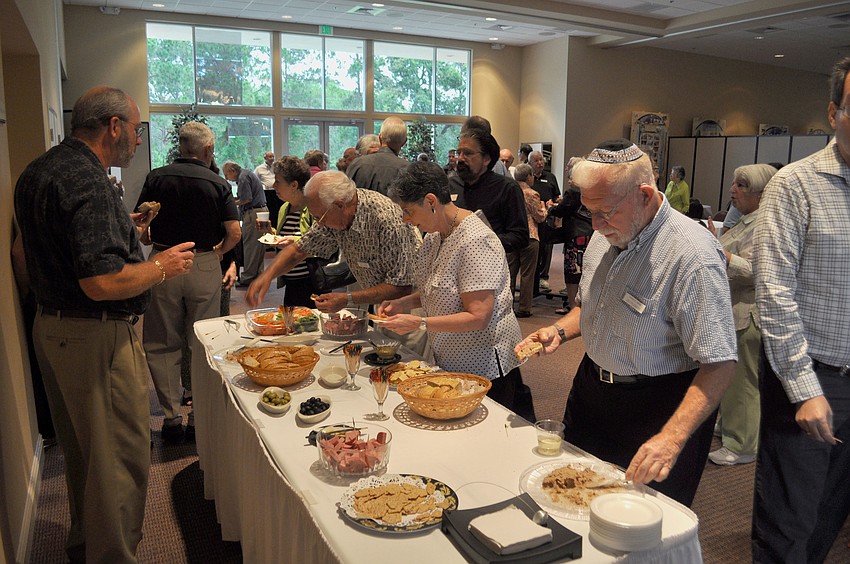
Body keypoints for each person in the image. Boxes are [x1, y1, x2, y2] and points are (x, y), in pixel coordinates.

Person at [13, 86, 195, 563]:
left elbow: (26, 253)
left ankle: (85, 546)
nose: (138, 139)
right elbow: (100, 282)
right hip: (96, 336)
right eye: (135, 129)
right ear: (113, 126)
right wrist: (161, 267)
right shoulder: (91, 182)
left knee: (84, 455)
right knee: (118, 461)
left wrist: (122, 228)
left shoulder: (38, 170)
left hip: (51, 329)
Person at [515, 139, 736, 506]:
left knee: (639, 518)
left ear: (644, 195)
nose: (596, 225)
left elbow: (720, 363)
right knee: (572, 497)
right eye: (589, 211)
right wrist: (558, 330)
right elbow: (592, 308)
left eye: (604, 212)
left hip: (658, 407)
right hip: (592, 390)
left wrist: (671, 439)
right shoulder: (606, 234)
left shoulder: (692, 256)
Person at [751, 56, 850, 563]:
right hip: (811, 378)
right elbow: (774, 292)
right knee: (789, 522)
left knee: (832, 512)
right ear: (834, 113)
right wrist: (805, 387)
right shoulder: (795, 185)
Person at [379, 162, 524, 412]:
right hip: (453, 359)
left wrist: (419, 323)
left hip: (484, 365)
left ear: (431, 201)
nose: (405, 219)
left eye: (408, 211)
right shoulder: (435, 236)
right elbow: (438, 290)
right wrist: (403, 303)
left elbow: (478, 317)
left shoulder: (476, 240)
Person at [137, 121, 241, 443]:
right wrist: (218, 253)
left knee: (162, 340)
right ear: (208, 149)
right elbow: (235, 232)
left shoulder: (156, 177)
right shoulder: (218, 182)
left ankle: (171, 419)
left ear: (181, 146)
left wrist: (152, 240)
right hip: (203, 262)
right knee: (203, 340)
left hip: (163, 261)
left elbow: (141, 226)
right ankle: (198, 418)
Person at [245, 170, 420, 314]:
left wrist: (347, 299)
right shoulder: (333, 214)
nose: (318, 223)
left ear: (339, 205)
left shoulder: (387, 219)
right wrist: (267, 276)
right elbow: (300, 249)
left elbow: (402, 286)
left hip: (410, 304)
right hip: (382, 301)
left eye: (318, 217)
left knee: (402, 346)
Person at [703, 164, 776, 466]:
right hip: (732, 312)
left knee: (743, 383)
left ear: (761, 193)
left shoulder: (766, 225)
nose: (732, 190)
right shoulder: (747, 220)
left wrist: (722, 254)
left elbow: (757, 272)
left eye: (741, 185)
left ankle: (742, 445)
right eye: (734, 183)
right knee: (731, 380)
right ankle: (732, 427)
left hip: (748, 314)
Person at [449, 125, 529, 254]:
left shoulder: (507, 188)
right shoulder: (451, 184)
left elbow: (520, 237)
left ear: (486, 159)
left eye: (468, 153)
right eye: (459, 153)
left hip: (489, 262)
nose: (460, 158)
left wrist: (482, 241)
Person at [266, 156, 318, 306]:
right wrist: (270, 232)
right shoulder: (285, 207)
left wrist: (293, 241)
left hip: (311, 281)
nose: (274, 185)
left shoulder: (314, 207)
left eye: (278, 181)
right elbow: (284, 238)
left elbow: (320, 243)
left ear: (294, 185)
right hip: (290, 280)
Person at [548, 156, 592, 314]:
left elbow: (561, 210)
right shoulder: (590, 188)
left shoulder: (574, 191)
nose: (568, 174)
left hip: (576, 235)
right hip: (589, 233)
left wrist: (550, 208)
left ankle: (574, 308)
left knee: (572, 272)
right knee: (586, 272)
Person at [507, 163, 546, 317]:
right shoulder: (531, 194)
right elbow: (539, 217)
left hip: (511, 235)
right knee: (527, 274)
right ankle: (524, 308)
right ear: (529, 177)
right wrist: (544, 208)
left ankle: (506, 306)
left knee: (509, 274)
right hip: (529, 236)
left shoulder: (509, 191)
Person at [223, 161, 267, 286]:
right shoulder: (247, 174)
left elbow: (247, 199)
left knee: (250, 246)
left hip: (253, 213)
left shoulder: (242, 177)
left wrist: (231, 204)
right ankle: (258, 275)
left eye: (226, 175)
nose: (227, 179)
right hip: (261, 211)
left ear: (232, 170)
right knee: (258, 246)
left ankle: (247, 277)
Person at [346, 116, 409, 195]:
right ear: (404, 142)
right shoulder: (408, 170)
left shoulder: (357, 164)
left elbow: (346, 195)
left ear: (380, 138)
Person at [529, 150, 561, 292]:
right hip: (532, 219)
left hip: (548, 217)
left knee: (547, 248)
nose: (540, 163)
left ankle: (543, 276)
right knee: (534, 248)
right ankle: (533, 277)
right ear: (530, 163)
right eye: (536, 160)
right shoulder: (528, 178)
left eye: (541, 160)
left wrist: (557, 205)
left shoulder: (550, 177)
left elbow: (556, 197)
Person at [255, 150, 282, 226]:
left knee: (277, 211)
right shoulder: (259, 168)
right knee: (270, 212)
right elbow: (256, 180)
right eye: (270, 157)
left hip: (276, 191)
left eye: (273, 156)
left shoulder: (276, 167)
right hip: (266, 193)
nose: (272, 158)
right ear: (265, 158)